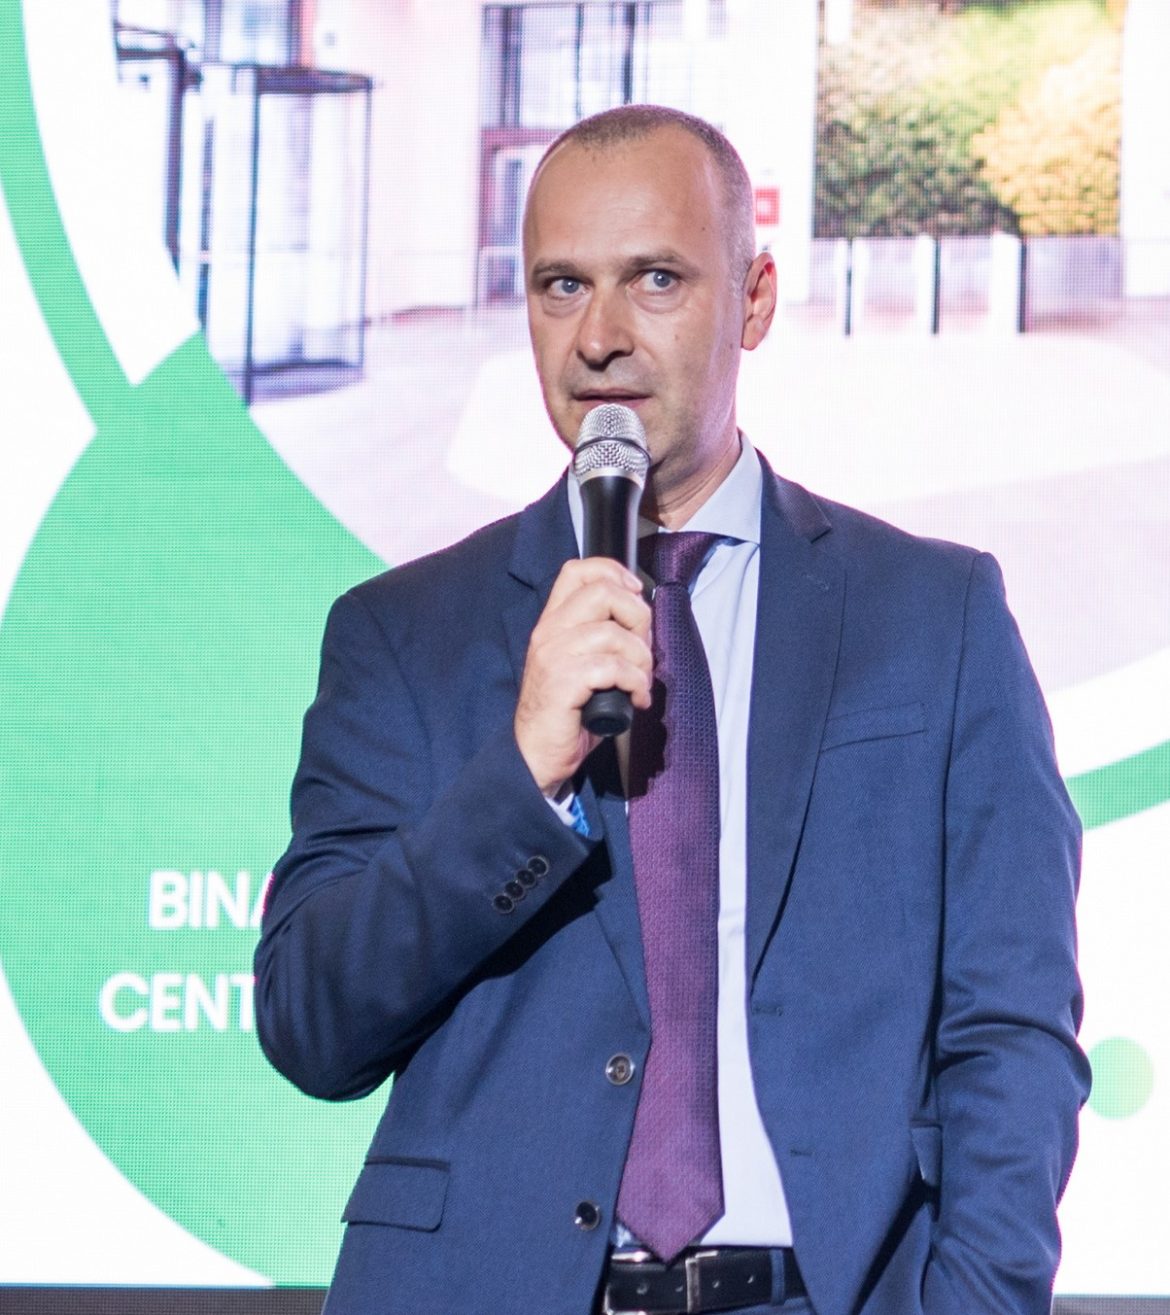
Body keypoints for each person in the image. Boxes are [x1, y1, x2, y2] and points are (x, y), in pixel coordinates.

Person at [254, 105, 1089, 1315]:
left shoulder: (932, 614)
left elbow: (1012, 1026)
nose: (599, 336)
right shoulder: (401, 633)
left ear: (753, 299)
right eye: (561, 285)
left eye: (655, 279)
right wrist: (522, 775)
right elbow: (311, 1024)